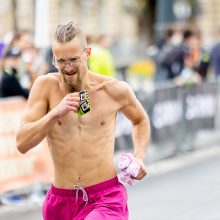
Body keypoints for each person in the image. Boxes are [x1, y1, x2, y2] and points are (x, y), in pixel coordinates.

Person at [16, 22, 150, 220]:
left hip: (105, 198)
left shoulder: (113, 90)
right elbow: (22, 143)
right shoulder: (45, 87)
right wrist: (54, 114)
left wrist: (139, 157)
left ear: (87, 53)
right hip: (60, 201)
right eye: (61, 61)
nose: (68, 68)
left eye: (73, 59)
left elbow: (140, 120)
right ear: (54, 58)